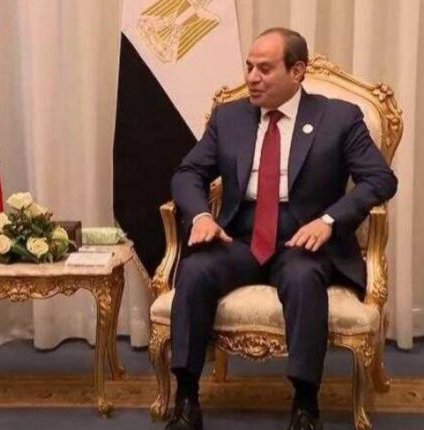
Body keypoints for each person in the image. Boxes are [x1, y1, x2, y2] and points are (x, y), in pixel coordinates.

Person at [166, 28, 397, 430]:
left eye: (265, 69)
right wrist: (202, 216)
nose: (252, 78)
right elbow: (188, 172)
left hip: (303, 238)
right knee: (195, 269)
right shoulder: (229, 117)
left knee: (304, 279)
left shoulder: (338, 118)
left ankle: (306, 405)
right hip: (240, 236)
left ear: (297, 71)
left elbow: (380, 179)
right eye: (249, 67)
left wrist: (329, 221)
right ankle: (186, 398)